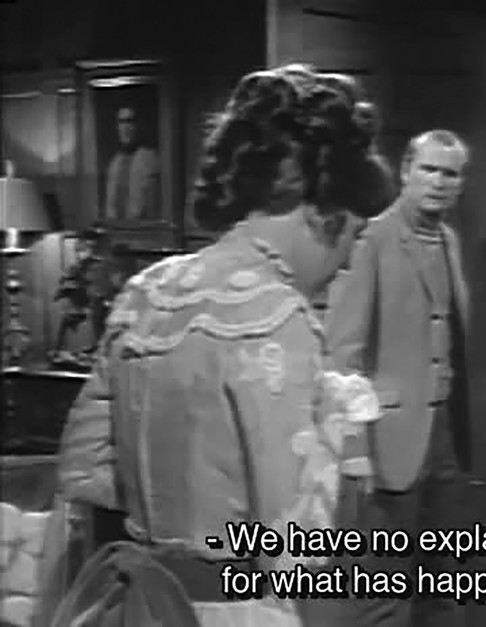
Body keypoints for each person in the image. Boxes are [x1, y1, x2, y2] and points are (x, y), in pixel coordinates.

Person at [34, 63, 396, 627]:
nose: (349, 258)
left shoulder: (144, 293)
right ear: (321, 212)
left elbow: (83, 478)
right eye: (353, 232)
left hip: (131, 604)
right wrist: (342, 442)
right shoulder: (277, 314)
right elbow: (295, 547)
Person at [324, 129, 472, 627]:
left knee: (446, 586)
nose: (439, 182)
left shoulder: (449, 241)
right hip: (387, 441)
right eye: (429, 169)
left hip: (443, 436)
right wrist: (355, 449)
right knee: (383, 594)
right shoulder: (373, 241)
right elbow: (342, 355)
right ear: (406, 171)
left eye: (450, 173)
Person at [104, 105, 160, 220]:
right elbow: (109, 206)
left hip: (143, 227)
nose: (125, 127)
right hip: (116, 227)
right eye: (121, 122)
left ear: (138, 126)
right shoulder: (114, 163)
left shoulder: (150, 159)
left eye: (129, 122)